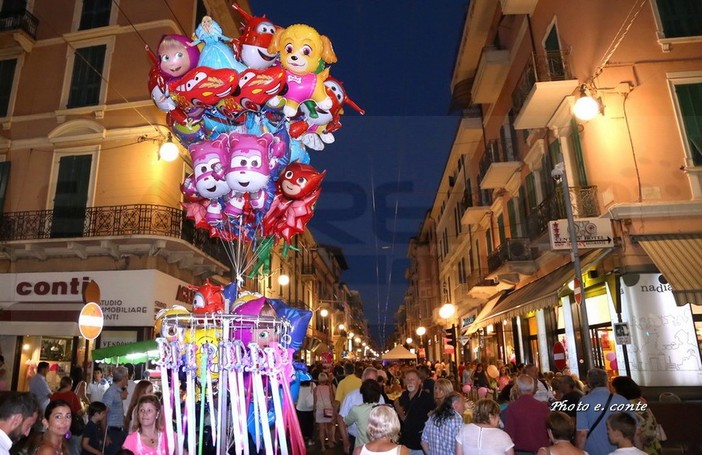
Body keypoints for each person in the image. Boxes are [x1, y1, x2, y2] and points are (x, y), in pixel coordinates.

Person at [576, 368, 631, 455]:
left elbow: (582, 433)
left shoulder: (584, 401)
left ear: (589, 383)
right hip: (620, 450)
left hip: (593, 450)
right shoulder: (622, 400)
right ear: (606, 381)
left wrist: (578, 452)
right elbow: (636, 430)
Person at [611, 376, 662, 455]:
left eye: (613, 389)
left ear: (620, 390)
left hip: (640, 447)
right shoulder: (640, 402)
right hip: (653, 446)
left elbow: (636, 432)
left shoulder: (625, 406)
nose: (612, 392)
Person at [339, 367, 385, 455]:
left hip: (375, 441)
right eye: (368, 380)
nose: (370, 384)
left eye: (373, 381)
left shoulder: (380, 397)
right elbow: (341, 418)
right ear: (362, 379)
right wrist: (345, 440)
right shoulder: (351, 396)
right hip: (355, 439)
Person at [503, 374, 550, 454]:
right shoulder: (544, 407)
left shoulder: (512, 407)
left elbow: (509, 435)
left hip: (521, 452)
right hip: (542, 451)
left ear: (517, 388)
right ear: (533, 388)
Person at [393, 369, 435, 455]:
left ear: (419, 381)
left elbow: (435, 411)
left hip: (419, 444)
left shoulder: (426, 397)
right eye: (407, 379)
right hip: (405, 442)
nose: (410, 382)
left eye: (413, 379)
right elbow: (397, 403)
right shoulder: (404, 395)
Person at [344, 380, 383, 450]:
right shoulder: (384, 410)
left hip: (361, 448)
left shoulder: (357, 410)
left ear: (363, 394)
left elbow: (346, 422)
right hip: (379, 448)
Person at [51, 376, 85, 455]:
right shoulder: (72, 395)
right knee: (74, 448)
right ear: (70, 384)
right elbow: (79, 411)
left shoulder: (54, 395)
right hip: (72, 426)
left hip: (57, 426)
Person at [102, 366, 129, 455]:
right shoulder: (111, 392)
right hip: (112, 431)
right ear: (123, 378)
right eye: (127, 376)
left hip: (118, 431)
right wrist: (105, 436)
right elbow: (103, 414)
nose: (127, 379)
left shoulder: (117, 392)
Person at [314, 372, 337, 449]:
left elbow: (315, 401)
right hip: (328, 408)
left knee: (321, 429)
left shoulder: (316, 389)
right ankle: (330, 443)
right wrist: (334, 411)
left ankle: (323, 446)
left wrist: (314, 411)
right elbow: (331, 400)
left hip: (319, 409)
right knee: (329, 428)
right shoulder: (329, 388)